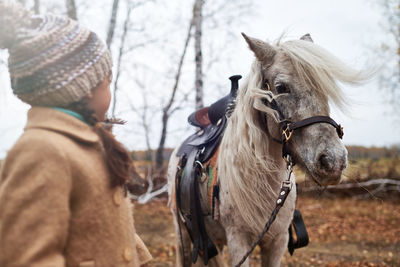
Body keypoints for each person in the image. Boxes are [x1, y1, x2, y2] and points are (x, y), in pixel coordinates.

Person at [0, 2, 152, 266]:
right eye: (108, 82)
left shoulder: (89, 143)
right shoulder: (43, 150)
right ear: (87, 88)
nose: (110, 91)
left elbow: (106, 226)